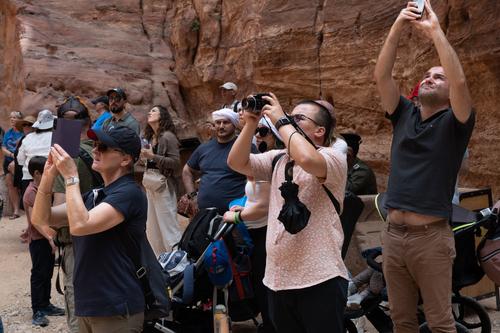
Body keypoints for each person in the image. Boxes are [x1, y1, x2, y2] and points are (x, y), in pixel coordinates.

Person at [373, 1, 475, 332]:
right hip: (392, 234)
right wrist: (398, 26)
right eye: (427, 75)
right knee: (401, 320)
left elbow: (459, 83)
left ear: (448, 95)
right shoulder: (404, 114)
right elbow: (382, 74)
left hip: (430, 239)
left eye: (438, 76)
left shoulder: (455, 123)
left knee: (440, 322)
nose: (431, 78)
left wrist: (435, 33)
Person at [227, 93, 348, 332]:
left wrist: (281, 119)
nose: (290, 122)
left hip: (320, 279)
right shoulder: (278, 159)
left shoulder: (333, 157)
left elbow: (306, 158)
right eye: (289, 118)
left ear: (320, 132)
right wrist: (251, 122)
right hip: (278, 280)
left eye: (299, 119)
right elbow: (236, 162)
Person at [32, 126, 146, 333]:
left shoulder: (130, 193)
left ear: (125, 159)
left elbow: (81, 225)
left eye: (103, 147)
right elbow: (41, 218)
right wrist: (48, 177)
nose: (95, 150)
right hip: (89, 305)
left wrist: (71, 176)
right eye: (94, 145)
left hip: (116, 307)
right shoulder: (94, 195)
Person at [50, 96, 96, 333]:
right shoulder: (103, 151)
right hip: (106, 237)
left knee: (79, 310)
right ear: (89, 123)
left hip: (75, 242)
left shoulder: (67, 159)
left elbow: (59, 212)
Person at [182, 108, 248, 214]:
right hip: (204, 215)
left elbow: (258, 176)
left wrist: (247, 201)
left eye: (226, 122)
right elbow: (187, 171)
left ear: (234, 125)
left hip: (235, 216)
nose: (221, 126)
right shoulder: (204, 148)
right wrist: (193, 196)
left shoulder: (245, 147)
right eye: (218, 122)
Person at [24, 156, 65, 327]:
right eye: (46, 173)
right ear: (36, 173)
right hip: (39, 240)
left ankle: (46, 304)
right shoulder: (31, 192)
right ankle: (37, 310)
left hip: (46, 239)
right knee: (39, 274)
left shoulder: (42, 189)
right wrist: (50, 237)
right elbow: (36, 220)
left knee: (47, 272)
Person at [141, 105, 182, 255]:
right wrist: (145, 158)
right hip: (151, 184)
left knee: (168, 228)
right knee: (153, 229)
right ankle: (160, 265)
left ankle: (179, 265)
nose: (149, 112)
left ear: (162, 115)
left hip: (164, 185)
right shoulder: (151, 137)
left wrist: (152, 157)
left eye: (153, 111)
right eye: (149, 110)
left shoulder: (168, 137)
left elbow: (176, 163)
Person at [17, 109, 54, 200]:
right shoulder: (56, 136)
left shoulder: (28, 137)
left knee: (31, 208)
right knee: (50, 209)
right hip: (51, 177)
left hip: (29, 177)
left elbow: (20, 160)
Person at [2, 111, 24, 219]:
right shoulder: (8, 133)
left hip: (20, 161)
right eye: (11, 117)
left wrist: (15, 159)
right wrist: (11, 154)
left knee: (21, 183)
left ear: (20, 119)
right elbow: (3, 148)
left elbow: (24, 149)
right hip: (8, 160)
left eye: (15, 117)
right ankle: (16, 210)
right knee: (10, 183)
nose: (12, 119)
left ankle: (25, 205)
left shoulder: (23, 133)